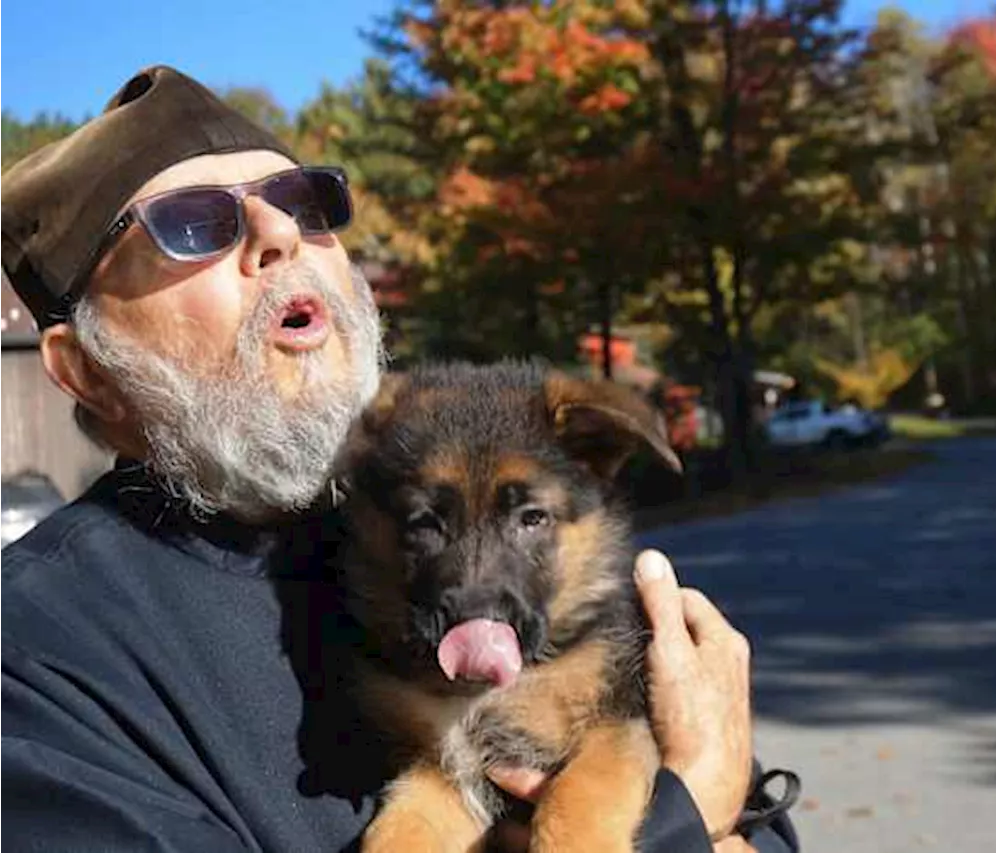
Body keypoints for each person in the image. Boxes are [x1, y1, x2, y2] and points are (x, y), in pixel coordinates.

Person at [0, 66, 800, 852]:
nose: (279, 234)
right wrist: (684, 809)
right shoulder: (39, 652)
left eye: (304, 204)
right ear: (86, 370)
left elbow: (760, 820)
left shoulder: (422, 502)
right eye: (194, 224)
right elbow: (703, 793)